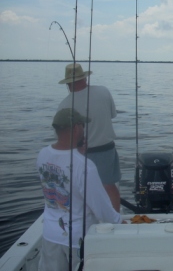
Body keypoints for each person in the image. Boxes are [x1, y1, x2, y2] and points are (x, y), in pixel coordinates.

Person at [37, 108, 122, 271]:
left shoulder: (42, 154)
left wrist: (78, 153)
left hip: (50, 235)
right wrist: (119, 222)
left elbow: (61, 174)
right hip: (77, 240)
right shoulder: (85, 166)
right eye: (82, 125)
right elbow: (101, 206)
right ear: (76, 127)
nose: (84, 129)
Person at [58, 63, 121, 211]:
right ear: (85, 78)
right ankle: (115, 222)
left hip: (79, 154)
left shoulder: (64, 105)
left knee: (80, 191)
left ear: (67, 83)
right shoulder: (104, 91)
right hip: (106, 150)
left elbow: (63, 139)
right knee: (109, 187)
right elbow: (113, 115)